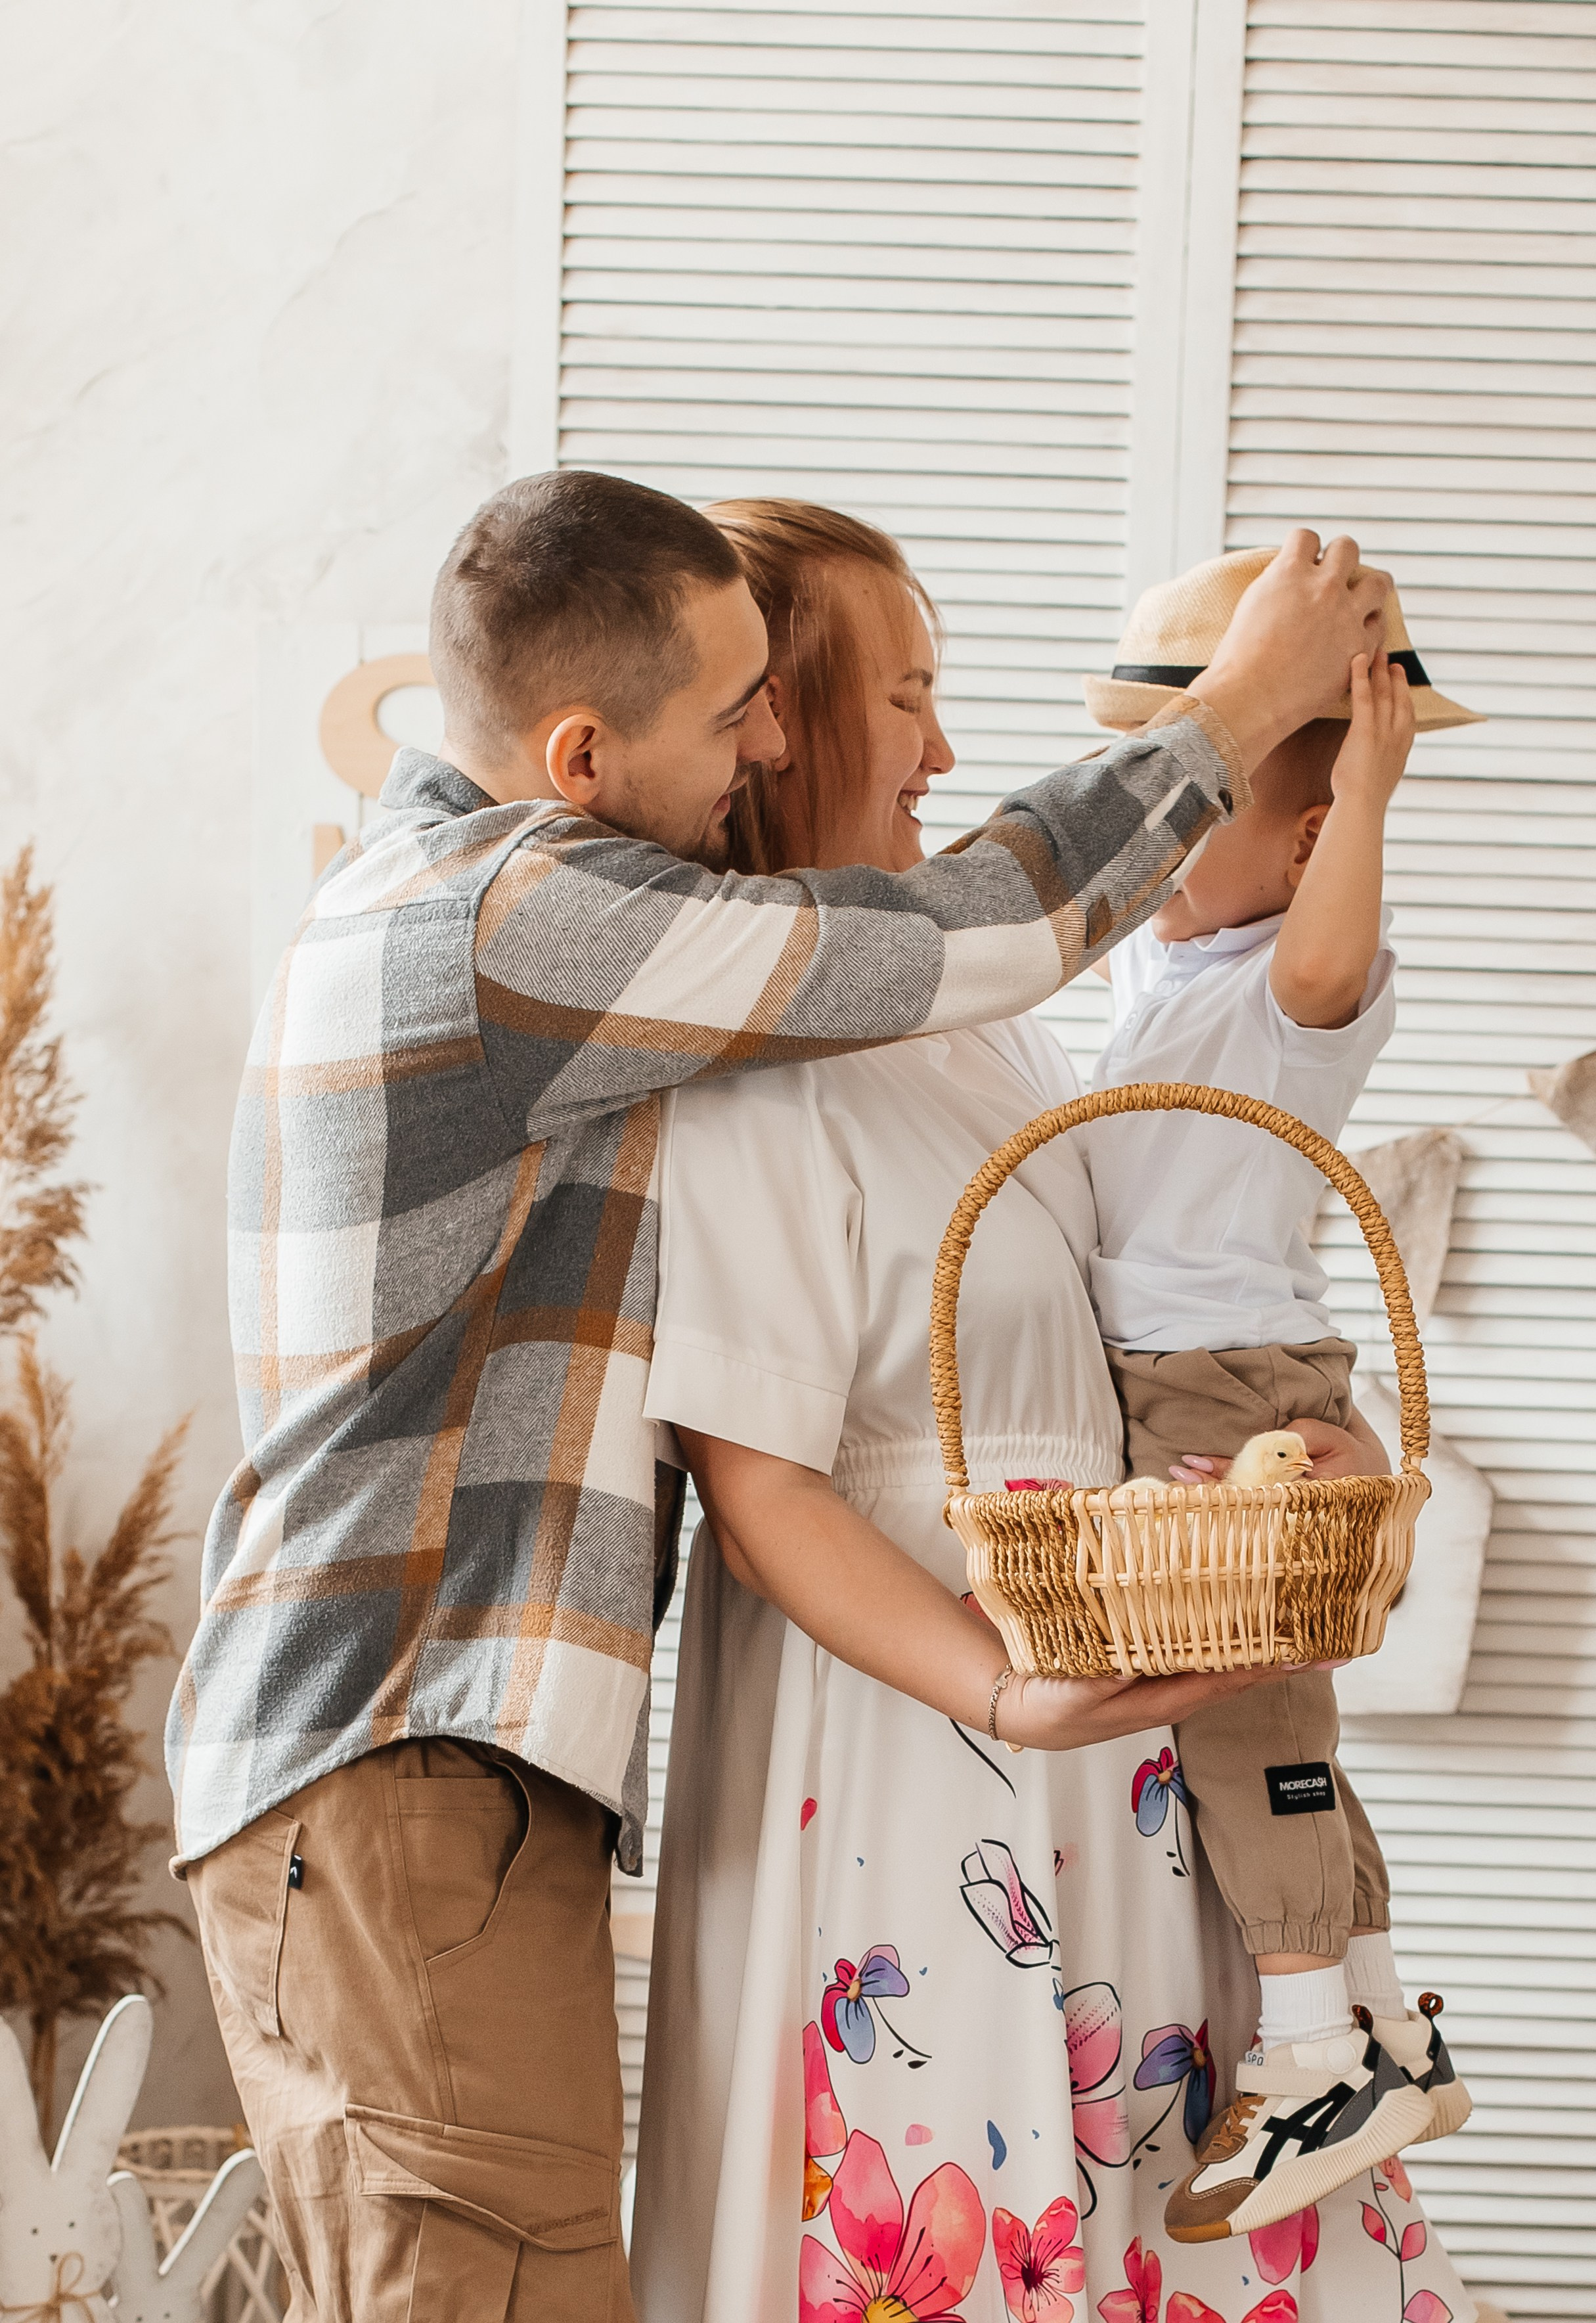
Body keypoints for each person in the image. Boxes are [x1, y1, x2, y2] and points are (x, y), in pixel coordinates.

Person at [166, 468, 1386, 2322]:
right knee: (479, 2286)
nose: (756, 748)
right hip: (400, 1755)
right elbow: (960, 924)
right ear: (579, 755)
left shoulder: (527, 941)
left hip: (450, 1765)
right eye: (752, 706)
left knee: (513, 2276)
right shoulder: (508, 919)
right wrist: (1231, 718)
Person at [630, 501, 1471, 2322]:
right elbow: (754, 1485)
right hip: (908, 1736)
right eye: (905, 698)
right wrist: (1007, 1692)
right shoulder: (744, 1078)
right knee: (956, 2197)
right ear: (767, 728)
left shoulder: (991, 1022)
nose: (948, 752)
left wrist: (1320, 1461)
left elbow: (1159, 1309)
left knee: (1155, 2202)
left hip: (1107, 1714)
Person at [1078, 551, 1482, 2240]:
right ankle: (1384, 2014)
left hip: (1221, 1381)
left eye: (1203, 811)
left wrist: (1365, 795)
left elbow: (1329, 964)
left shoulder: (1284, 996)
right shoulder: (1151, 972)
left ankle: (1312, 2048)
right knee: (1287, 1723)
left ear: (1308, 843)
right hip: (1185, 1375)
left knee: (1246, 1718)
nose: (1161, 845)